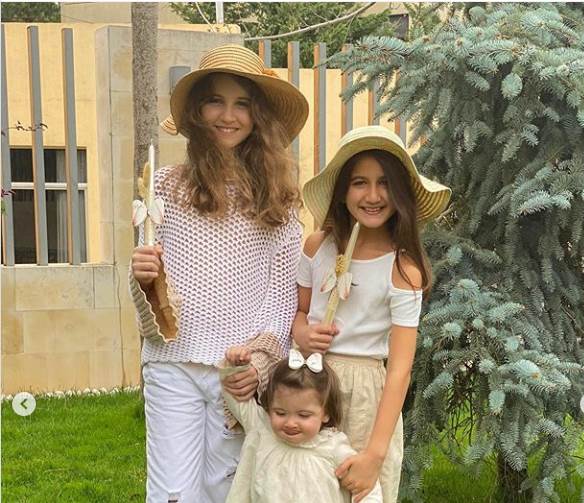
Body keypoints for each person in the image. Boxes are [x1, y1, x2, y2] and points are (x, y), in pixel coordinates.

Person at [129, 44, 308, 503]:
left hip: (238, 369)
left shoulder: (279, 200)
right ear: (196, 111)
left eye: (242, 104)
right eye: (215, 101)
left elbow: (282, 297)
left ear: (258, 116)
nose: (228, 116)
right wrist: (144, 279)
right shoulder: (163, 187)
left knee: (230, 489)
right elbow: (154, 302)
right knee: (171, 492)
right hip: (173, 364)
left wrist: (261, 363)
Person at [293, 126, 451, 503]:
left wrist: (374, 455)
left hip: (365, 395)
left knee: (357, 490)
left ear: (399, 193)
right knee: (303, 486)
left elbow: (400, 369)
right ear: (342, 191)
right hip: (308, 382)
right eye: (359, 183)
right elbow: (299, 312)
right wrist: (302, 335)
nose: (373, 195)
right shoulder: (317, 248)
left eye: (385, 184)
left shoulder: (402, 269)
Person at [221, 346, 383, 503]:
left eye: (303, 415)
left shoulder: (333, 447)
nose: (290, 423)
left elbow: (364, 485)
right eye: (280, 413)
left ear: (326, 413)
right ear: (270, 406)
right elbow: (236, 396)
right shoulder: (263, 428)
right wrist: (236, 368)